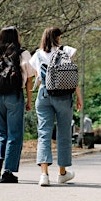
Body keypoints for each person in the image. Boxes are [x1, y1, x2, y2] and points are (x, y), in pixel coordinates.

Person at [29, 27, 83, 186]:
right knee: (64, 134)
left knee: (44, 134)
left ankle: (44, 175)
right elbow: (72, 77)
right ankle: (62, 173)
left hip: (44, 94)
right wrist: (79, 98)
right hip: (64, 96)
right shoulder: (66, 51)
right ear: (58, 37)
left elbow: (35, 74)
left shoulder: (37, 54)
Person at [0, 26, 36, 183]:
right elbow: (29, 78)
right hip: (14, 96)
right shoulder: (22, 54)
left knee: (1, 132)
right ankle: (8, 171)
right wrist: (29, 101)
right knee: (14, 134)